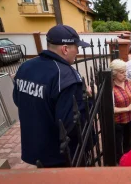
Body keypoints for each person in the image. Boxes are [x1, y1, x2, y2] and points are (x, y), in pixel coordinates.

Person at [13, 24, 90, 167]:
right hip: (60, 154)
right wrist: (89, 100)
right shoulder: (65, 75)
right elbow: (72, 123)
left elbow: (18, 100)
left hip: (35, 147)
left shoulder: (25, 67)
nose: (78, 51)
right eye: (76, 47)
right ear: (65, 49)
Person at [111, 59, 131, 164]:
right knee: (118, 143)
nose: (125, 74)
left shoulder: (128, 82)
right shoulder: (111, 88)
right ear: (114, 73)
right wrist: (127, 108)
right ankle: (119, 160)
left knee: (128, 139)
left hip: (130, 118)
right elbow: (111, 108)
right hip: (118, 121)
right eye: (121, 72)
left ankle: (128, 158)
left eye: (125, 71)